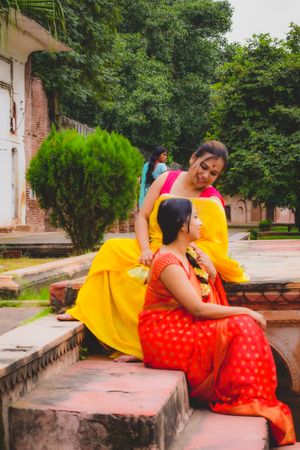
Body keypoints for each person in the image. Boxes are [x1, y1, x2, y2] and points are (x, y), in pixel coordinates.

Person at [57, 140, 249, 361]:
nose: (205, 175)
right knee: (111, 250)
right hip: (152, 246)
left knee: (150, 282)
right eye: (203, 166)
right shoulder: (166, 179)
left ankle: (141, 347)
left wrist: (186, 252)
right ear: (193, 158)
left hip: (180, 255)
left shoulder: (212, 200)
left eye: (213, 173)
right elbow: (143, 216)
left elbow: (215, 245)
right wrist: (145, 249)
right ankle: (84, 309)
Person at [138, 198, 295, 447]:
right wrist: (245, 310)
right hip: (165, 333)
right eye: (197, 217)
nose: (202, 224)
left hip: (181, 322)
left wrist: (210, 269)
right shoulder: (168, 262)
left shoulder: (186, 253)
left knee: (242, 326)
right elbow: (198, 308)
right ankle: (240, 395)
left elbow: (204, 285)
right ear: (182, 225)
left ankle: (249, 393)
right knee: (241, 325)